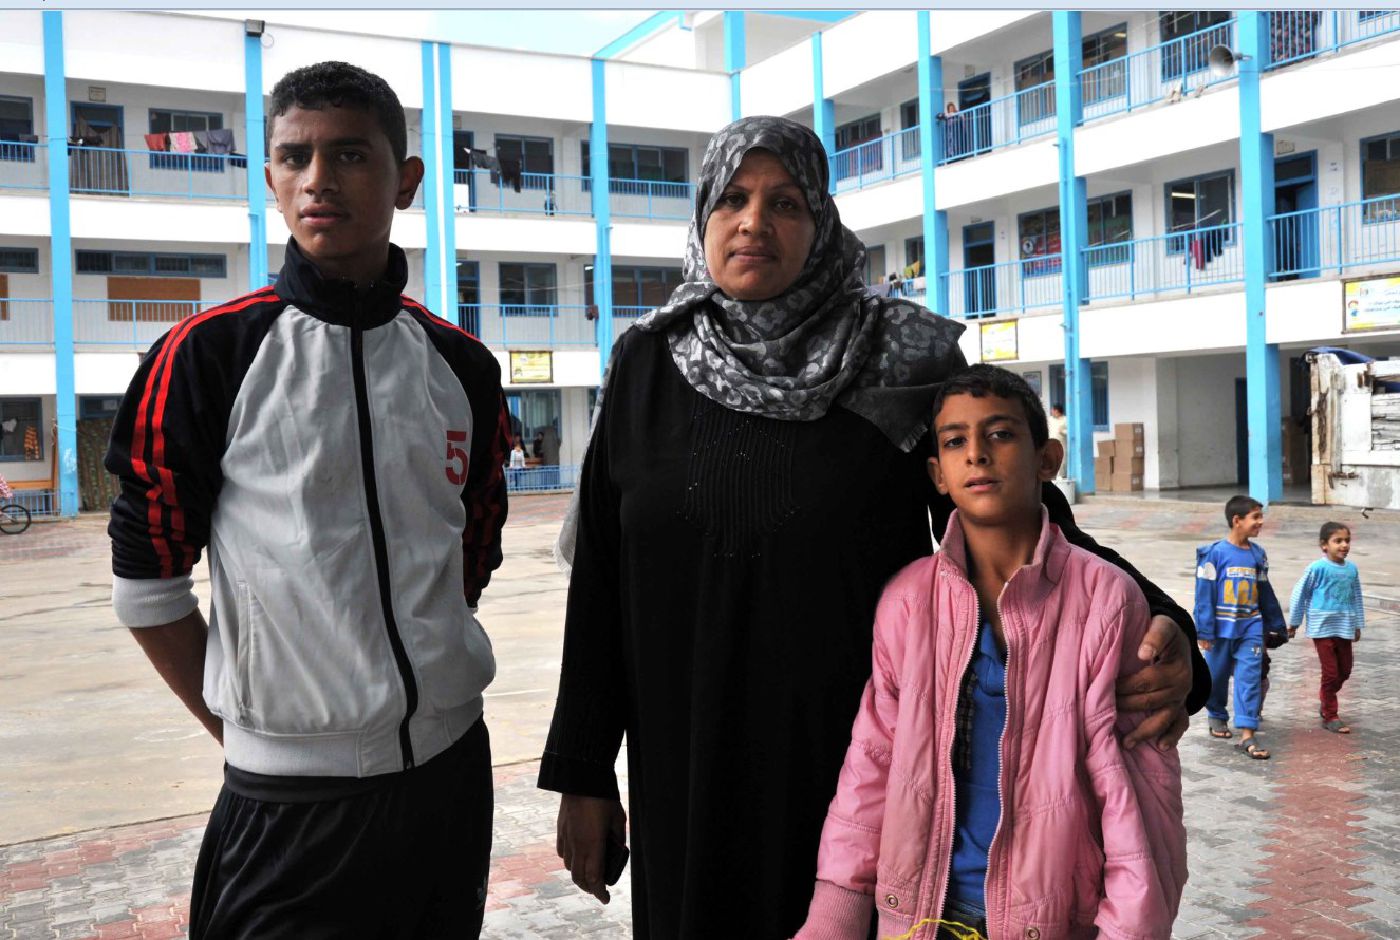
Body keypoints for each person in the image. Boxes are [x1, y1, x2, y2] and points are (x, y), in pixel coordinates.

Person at [540, 115, 1206, 939]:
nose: (754, 222)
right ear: (703, 219)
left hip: (859, 768)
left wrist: (1166, 627)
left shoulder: (901, 363)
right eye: (733, 200)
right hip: (683, 764)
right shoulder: (647, 362)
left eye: (784, 202)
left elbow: (1017, 516)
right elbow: (601, 576)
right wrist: (584, 775)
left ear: (821, 224)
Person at [105, 61, 510, 939]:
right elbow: (146, 587)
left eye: (351, 155)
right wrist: (256, 730)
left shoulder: (463, 369)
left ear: (406, 182)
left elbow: (469, 555)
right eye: (295, 158)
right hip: (288, 803)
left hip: (450, 776)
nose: (319, 180)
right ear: (271, 180)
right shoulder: (208, 355)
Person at [794, 365, 1186, 940]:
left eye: (1000, 434)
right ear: (937, 474)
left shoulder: (1106, 599)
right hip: (917, 915)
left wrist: (1129, 928)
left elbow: (1140, 796)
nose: (976, 453)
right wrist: (838, 909)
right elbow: (871, 764)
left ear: (1047, 460)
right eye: (955, 441)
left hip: (1047, 921)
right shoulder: (907, 601)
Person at [1194, 495, 1288, 759]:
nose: (1260, 522)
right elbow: (1204, 594)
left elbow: (1265, 591)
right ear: (1237, 521)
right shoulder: (1213, 555)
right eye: (1255, 517)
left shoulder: (1258, 555)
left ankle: (1248, 735)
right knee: (1216, 676)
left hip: (1251, 629)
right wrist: (1204, 630)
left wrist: (1277, 625)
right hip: (1220, 630)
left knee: (1249, 679)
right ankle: (1216, 714)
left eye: (1261, 516)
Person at [1288, 521, 1366, 733]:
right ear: (1324, 545)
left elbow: (1357, 596)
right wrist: (1294, 622)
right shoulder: (1317, 568)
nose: (1344, 545)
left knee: (1345, 670)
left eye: (1347, 540)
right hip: (1322, 628)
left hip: (1345, 627)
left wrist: (1358, 624)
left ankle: (1326, 697)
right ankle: (1330, 714)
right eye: (1337, 541)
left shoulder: (1351, 569)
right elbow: (1299, 594)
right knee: (1331, 673)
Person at [1046, 403, 1068, 478]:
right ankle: (1052, 477)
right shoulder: (1050, 419)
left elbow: (1071, 432)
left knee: (1062, 462)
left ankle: (1061, 477)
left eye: (1053, 410)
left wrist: (1063, 431)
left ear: (1057, 411)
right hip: (1050, 444)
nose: (1051, 412)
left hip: (1061, 444)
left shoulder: (1065, 420)